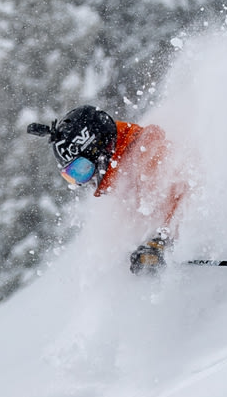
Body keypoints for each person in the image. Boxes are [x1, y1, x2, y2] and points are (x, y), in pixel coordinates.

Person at [28, 105, 189, 272]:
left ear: (99, 148)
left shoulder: (146, 156)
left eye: (82, 169)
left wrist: (162, 241)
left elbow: (187, 193)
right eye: (73, 176)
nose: (85, 182)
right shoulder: (125, 172)